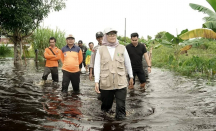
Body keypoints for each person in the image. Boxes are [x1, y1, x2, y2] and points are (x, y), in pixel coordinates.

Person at [94, 28, 133, 120]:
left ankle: (120, 125)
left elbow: (128, 63)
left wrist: (131, 76)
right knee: (106, 109)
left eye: (114, 34)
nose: (112, 36)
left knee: (121, 108)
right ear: (105, 36)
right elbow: (97, 66)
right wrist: (96, 82)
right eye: (110, 34)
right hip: (106, 83)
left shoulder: (122, 48)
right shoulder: (100, 49)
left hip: (121, 82)